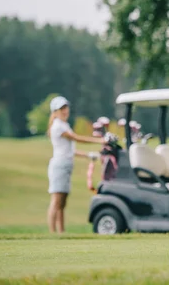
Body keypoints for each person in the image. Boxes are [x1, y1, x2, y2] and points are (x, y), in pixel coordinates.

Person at [46, 96, 105, 233]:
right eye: (61, 109)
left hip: (66, 166)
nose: (65, 111)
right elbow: (76, 138)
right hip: (59, 166)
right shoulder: (58, 126)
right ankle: (52, 232)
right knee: (56, 201)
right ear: (55, 112)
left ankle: (61, 231)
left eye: (66, 108)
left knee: (62, 203)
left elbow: (70, 151)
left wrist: (89, 155)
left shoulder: (64, 124)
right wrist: (99, 141)